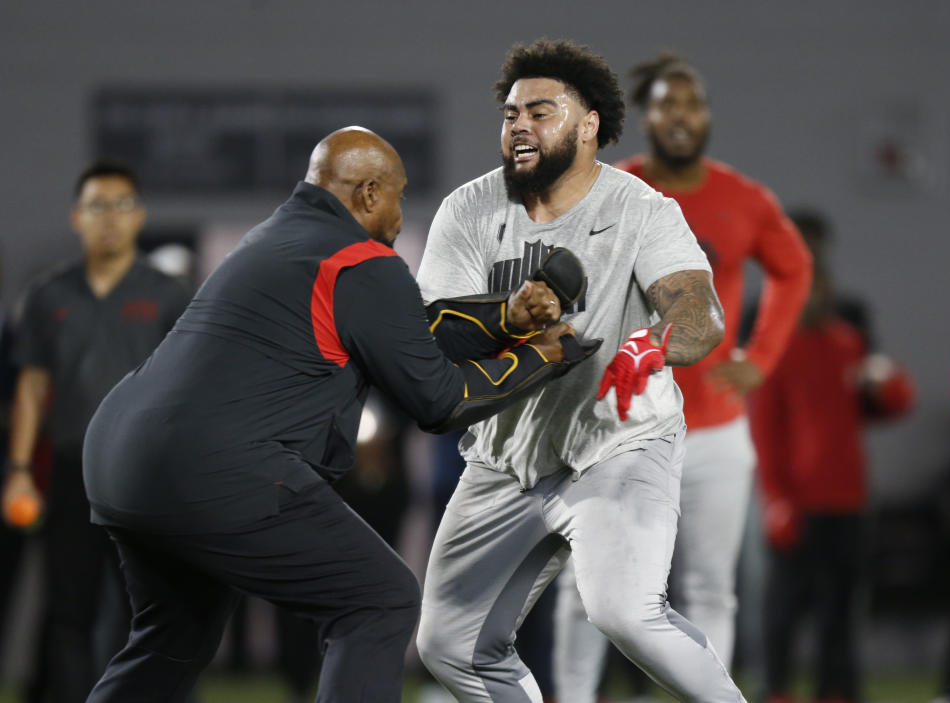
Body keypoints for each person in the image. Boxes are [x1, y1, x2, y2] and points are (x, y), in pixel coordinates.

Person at [81, 126, 596, 703]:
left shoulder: (277, 239)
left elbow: (404, 337)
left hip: (118, 456)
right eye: (398, 196)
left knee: (172, 639)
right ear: (370, 193)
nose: (401, 215)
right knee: (378, 600)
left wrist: (508, 316)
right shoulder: (362, 259)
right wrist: (543, 356)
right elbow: (440, 399)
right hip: (212, 466)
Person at [415, 39, 746, 702]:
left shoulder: (642, 208)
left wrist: (651, 345)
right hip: (507, 457)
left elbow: (697, 310)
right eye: (511, 114)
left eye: (541, 111)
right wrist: (509, 317)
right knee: (447, 643)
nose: (520, 127)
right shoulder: (469, 209)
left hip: (619, 442)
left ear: (589, 124)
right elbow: (438, 330)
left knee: (623, 610)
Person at [552, 51, 813, 700]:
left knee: (709, 587)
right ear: (646, 116)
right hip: (620, 423)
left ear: (706, 116)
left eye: (692, 103)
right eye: (667, 103)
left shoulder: (743, 199)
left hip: (715, 431)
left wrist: (762, 356)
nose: (680, 115)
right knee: (585, 581)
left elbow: (794, 267)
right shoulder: (611, 189)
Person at [0, 161, 191, 702]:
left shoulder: (167, 296)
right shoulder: (47, 297)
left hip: (143, 477)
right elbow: (32, 391)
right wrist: (17, 473)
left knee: (153, 611)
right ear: (77, 218)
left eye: (122, 205)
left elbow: (183, 391)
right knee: (68, 611)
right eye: (98, 206)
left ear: (140, 217)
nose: (111, 218)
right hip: (68, 469)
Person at [750, 211, 913, 703]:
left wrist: (891, 384)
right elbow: (765, 432)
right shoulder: (775, 349)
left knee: (840, 609)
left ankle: (836, 691)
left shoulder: (849, 343)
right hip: (800, 501)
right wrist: (776, 499)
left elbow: (883, 409)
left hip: (848, 499)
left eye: (820, 288)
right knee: (783, 608)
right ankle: (776, 689)